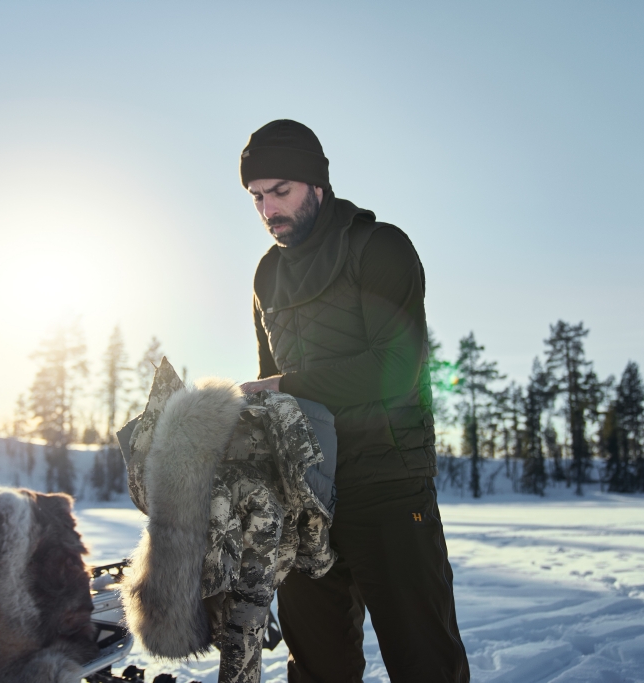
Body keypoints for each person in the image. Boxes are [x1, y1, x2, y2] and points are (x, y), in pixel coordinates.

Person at [238, 119, 469, 683]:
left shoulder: (380, 246)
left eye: (281, 191)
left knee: (424, 660)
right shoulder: (267, 274)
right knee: (318, 668)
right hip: (307, 494)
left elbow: (395, 369)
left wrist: (285, 388)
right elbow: (275, 385)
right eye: (257, 197)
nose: (269, 210)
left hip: (388, 486)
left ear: (317, 185)